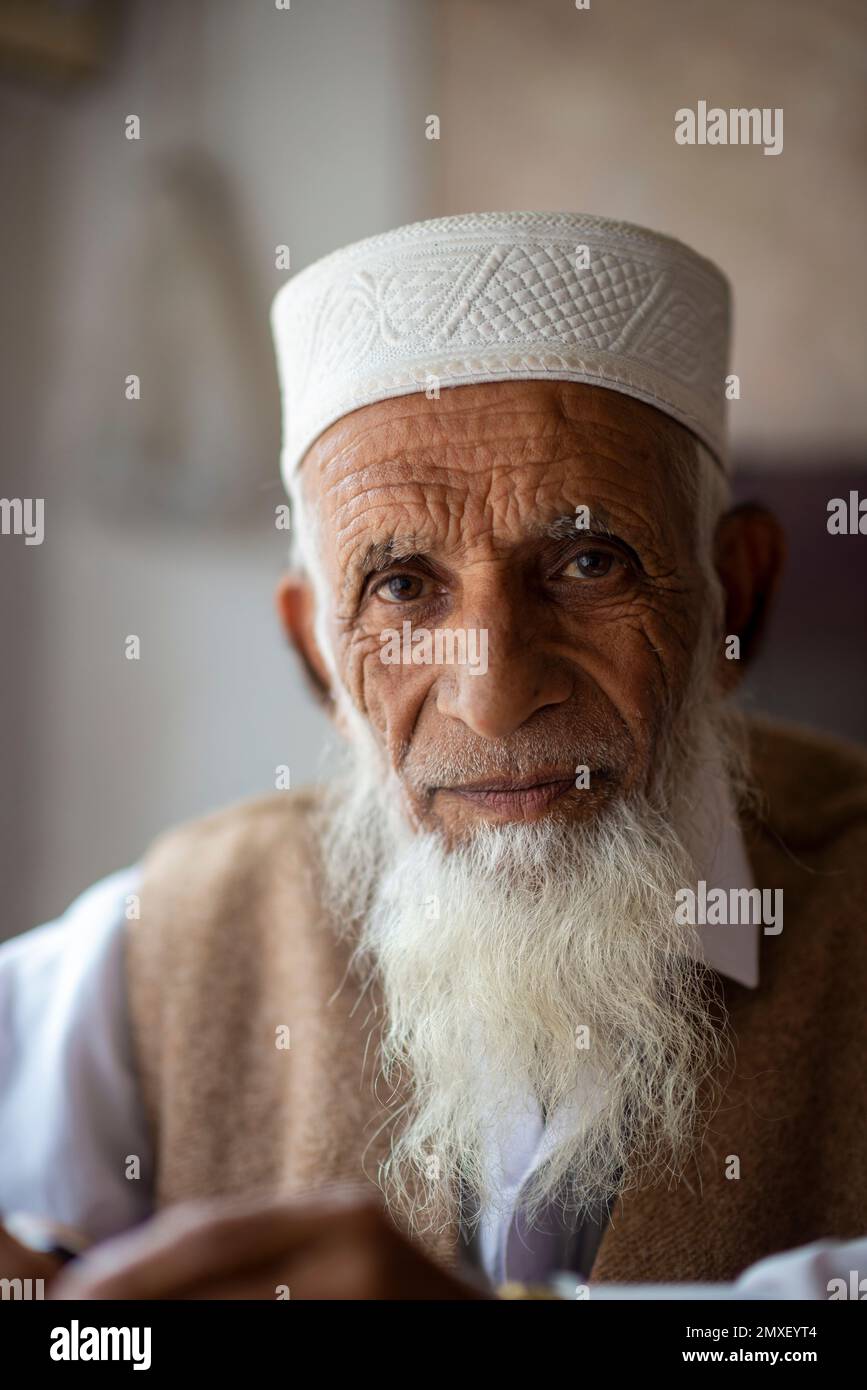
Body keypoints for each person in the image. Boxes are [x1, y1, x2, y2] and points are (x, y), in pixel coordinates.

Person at [3, 212, 866, 1300]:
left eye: (590, 562)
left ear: (736, 599)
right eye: (403, 587)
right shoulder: (177, 933)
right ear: (317, 657)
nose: (495, 696)